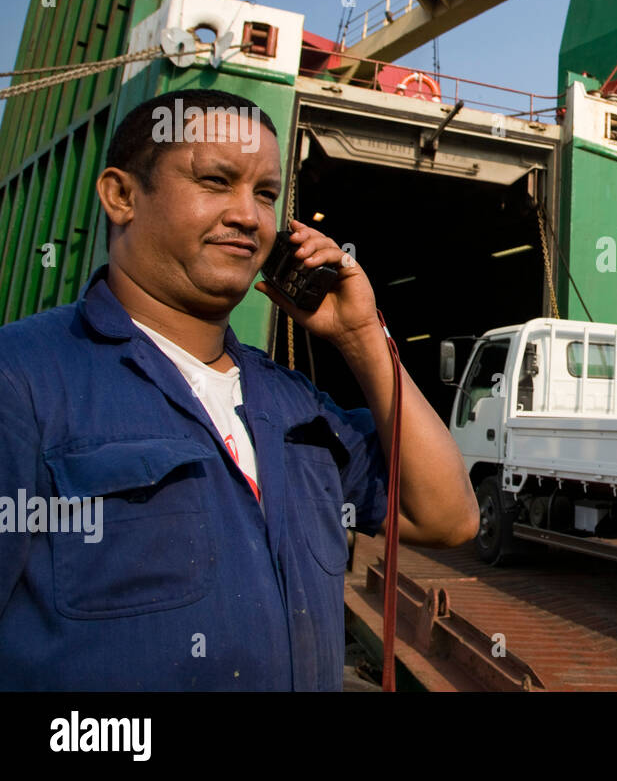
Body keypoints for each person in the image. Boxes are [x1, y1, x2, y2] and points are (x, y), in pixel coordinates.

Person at [0, 88, 479, 690]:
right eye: (216, 181)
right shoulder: (21, 381)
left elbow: (447, 517)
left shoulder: (296, 404)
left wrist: (361, 337)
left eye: (266, 194)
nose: (249, 216)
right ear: (121, 196)